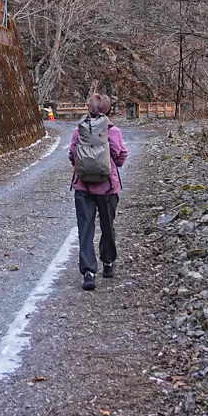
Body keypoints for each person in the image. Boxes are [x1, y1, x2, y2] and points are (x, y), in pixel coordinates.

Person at [69, 92, 127, 291]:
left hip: (83, 187)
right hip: (108, 187)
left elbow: (72, 156)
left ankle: (88, 272)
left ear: (89, 109)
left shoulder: (79, 131)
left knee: (85, 228)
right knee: (107, 225)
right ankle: (108, 263)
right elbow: (120, 156)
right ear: (109, 110)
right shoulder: (114, 132)